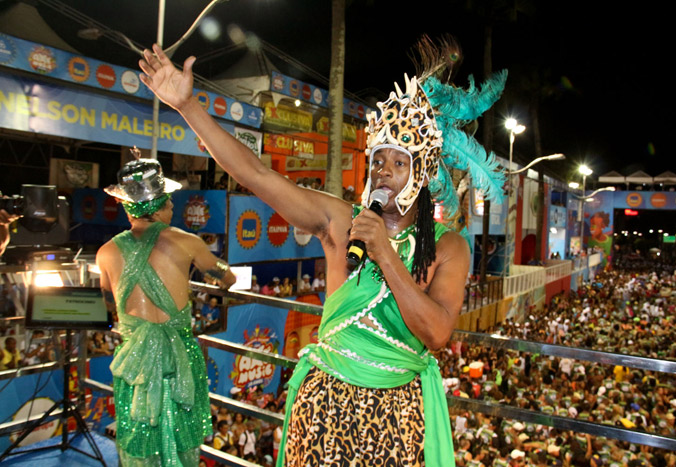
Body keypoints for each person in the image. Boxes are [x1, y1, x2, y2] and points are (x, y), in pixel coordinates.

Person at [139, 34, 505, 466]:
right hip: (323, 405)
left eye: (399, 162)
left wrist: (385, 254)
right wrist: (188, 107)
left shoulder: (448, 246)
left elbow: (438, 333)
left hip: (398, 416)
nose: (384, 171)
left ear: (422, 171)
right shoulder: (339, 220)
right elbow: (256, 174)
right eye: (379, 160)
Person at [96, 155, 236, 466]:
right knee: (180, 434)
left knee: (139, 432)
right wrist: (222, 277)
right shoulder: (187, 242)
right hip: (178, 356)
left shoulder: (105, 252)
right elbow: (225, 275)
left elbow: (108, 292)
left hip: (137, 359)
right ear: (158, 207)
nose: (173, 208)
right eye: (169, 202)